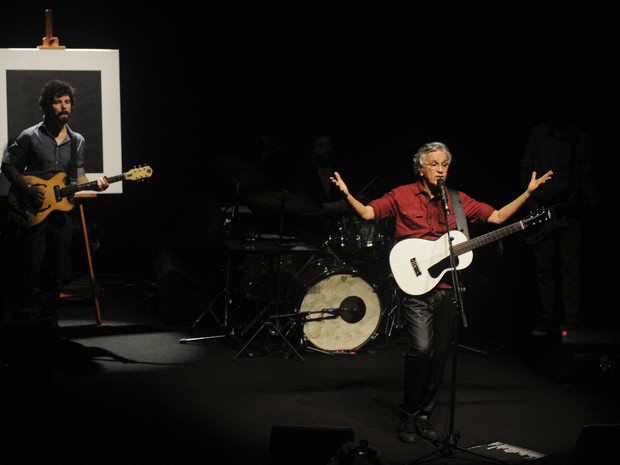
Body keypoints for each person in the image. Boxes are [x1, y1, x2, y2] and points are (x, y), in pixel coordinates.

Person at [330, 141, 553, 443]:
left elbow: (497, 218)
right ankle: (408, 413)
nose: (440, 169)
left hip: (450, 288)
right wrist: (347, 196)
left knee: (440, 356)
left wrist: (527, 194)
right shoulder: (402, 194)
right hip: (416, 285)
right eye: (434, 164)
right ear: (420, 168)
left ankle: (424, 416)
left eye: (444, 164)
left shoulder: (457, 201)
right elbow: (370, 213)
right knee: (421, 350)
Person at [1, 79, 110, 323]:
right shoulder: (30, 136)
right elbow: (7, 166)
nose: (64, 106)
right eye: (58, 101)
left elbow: (77, 177)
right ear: (47, 106)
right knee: (29, 267)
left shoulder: (77, 140)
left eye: (68, 101)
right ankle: (25, 318)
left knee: (57, 269)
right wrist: (28, 189)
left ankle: (49, 316)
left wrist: (97, 185)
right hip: (34, 208)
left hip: (62, 211)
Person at [520, 95, 599, 336]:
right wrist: (530, 203)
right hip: (542, 206)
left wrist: (592, 197)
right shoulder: (538, 133)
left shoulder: (581, 139)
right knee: (544, 267)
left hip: (568, 209)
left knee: (570, 268)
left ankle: (572, 322)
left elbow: (584, 172)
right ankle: (548, 317)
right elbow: (526, 167)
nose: (560, 117)